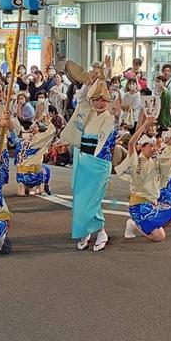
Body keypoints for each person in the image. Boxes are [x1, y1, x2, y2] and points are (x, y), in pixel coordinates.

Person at [59, 71, 119, 252]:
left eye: (103, 100)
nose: (100, 103)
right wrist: (88, 83)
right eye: (96, 99)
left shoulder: (110, 119)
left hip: (99, 165)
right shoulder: (88, 112)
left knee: (92, 201)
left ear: (108, 102)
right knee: (80, 200)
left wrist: (104, 76)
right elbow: (80, 98)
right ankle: (87, 230)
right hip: (82, 161)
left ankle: (100, 231)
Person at [9, 115, 55, 196]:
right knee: (46, 169)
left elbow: (13, 135)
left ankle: (22, 187)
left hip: (20, 176)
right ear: (33, 130)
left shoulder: (19, 141)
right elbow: (52, 131)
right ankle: (40, 188)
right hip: (34, 176)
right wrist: (48, 121)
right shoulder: (36, 140)